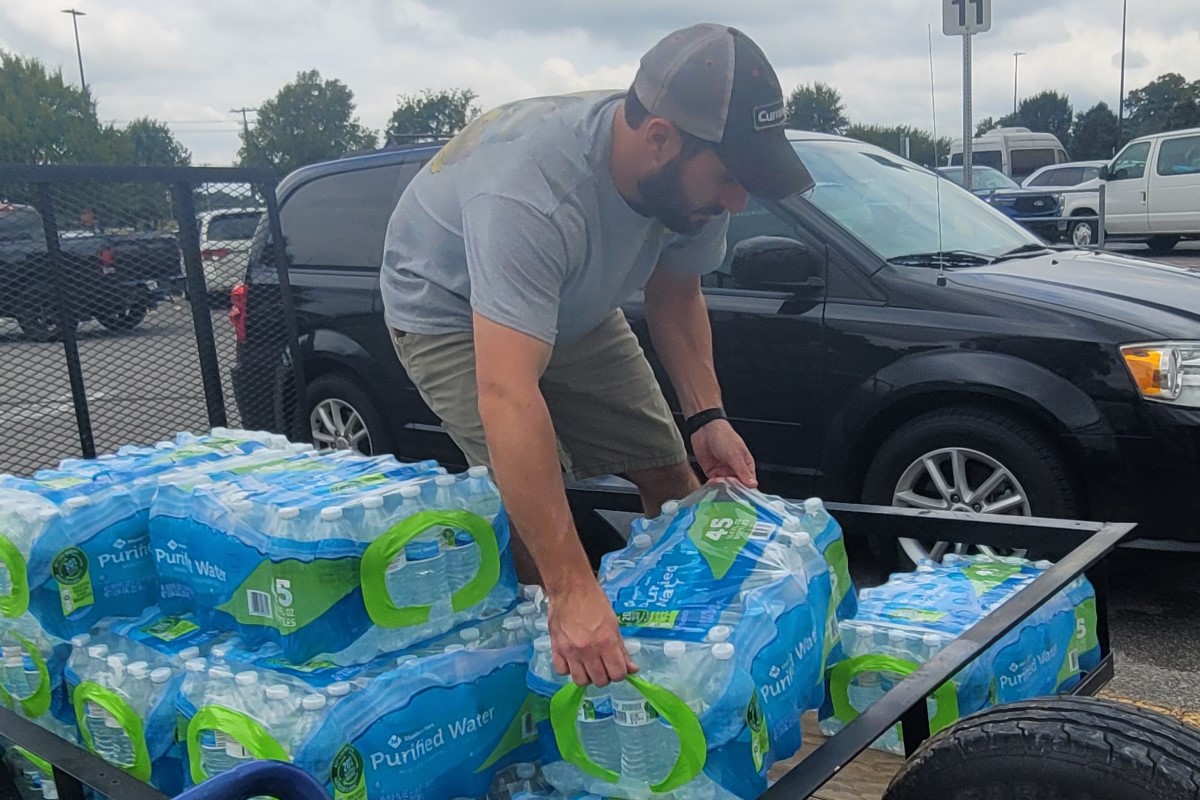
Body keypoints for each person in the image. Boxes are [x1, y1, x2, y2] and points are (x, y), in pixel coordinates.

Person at [379, 23, 813, 687]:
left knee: (672, 475)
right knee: (533, 499)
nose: (736, 200)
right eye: (727, 178)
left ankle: (690, 650)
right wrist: (574, 589)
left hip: (572, 303)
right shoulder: (531, 190)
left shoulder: (689, 174)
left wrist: (707, 418)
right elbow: (508, 393)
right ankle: (559, 671)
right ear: (660, 138)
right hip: (449, 314)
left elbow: (676, 290)